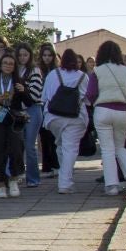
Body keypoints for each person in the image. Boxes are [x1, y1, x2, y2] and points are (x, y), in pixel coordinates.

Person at [91, 40, 126, 196]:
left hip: (103, 110)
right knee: (119, 146)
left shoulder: (97, 71)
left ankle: (112, 186)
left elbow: (91, 93)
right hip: (123, 111)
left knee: (107, 149)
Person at [0, 51, 30, 198]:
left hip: (14, 119)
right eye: (5, 63)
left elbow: (29, 102)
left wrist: (24, 91)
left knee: (16, 148)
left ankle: (14, 179)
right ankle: (1, 184)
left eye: (11, 64)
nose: (8, 66)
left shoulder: (19, 82)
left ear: (15, 67)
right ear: (0, 65)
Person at [41, 49, 91, 194]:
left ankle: (64, 175)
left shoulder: (53, 74)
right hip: (75, 117)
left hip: (53, 117)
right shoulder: (83, 77)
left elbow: (44, 97)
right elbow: (88, 100)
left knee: (60, 144)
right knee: (70, 148)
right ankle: (65, 182)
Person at [15, 44, 45, 188]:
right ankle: (17, 174)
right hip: (18, 110)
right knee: (17, 144)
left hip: (33, 109)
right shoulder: (14, 69)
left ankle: (33, 178)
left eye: (25, 55)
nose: (22, 58)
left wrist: (23, 89)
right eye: (20, 55)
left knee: (30, 145)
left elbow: (35, 93)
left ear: (30, 55)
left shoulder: (35, 70)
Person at [35, 44, 62, 177]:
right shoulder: (37, 69)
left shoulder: (57, 70)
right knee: (44, 136)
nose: (47, 58)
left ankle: (55, 164)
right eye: (44, 55)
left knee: (54, 136)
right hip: (41, 104)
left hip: (54, 106)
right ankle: (46, 166)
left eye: (49, 55)